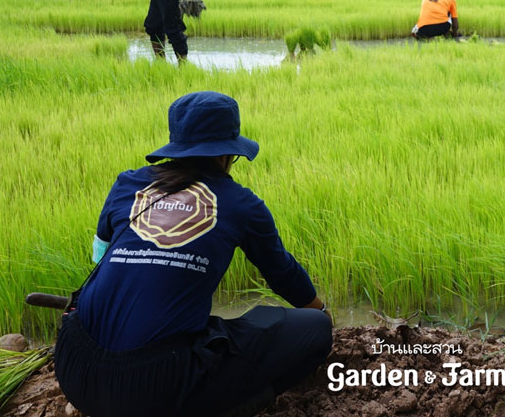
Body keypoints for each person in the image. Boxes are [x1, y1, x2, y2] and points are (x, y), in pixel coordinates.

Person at [54, 91, 332, 417]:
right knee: (314, 330)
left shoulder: (127, 183)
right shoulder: (241, 203)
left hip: (73, 366)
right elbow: (283, 274)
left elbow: (100, 255)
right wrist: (322, 310)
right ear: (228, 154)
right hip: (153, 388)